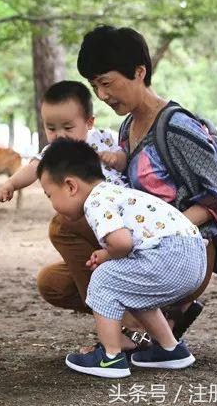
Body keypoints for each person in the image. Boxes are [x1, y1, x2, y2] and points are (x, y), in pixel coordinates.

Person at [36, 25, 217, 343]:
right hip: (142, 245)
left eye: (106, 83)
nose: (102, 96)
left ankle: (132, 329)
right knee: (52, 282)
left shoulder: (179, 128)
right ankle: (152, 323)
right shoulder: (126, 129)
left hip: (180, 252)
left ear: (139, 71)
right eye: (95, 86)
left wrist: (166, 230)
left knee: (63, 223)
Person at [38, 138, 206, 378]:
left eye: (49, 195)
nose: (53, 204)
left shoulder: (95, 202)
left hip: (172, 256)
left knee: (103, 278)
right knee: (129, 286)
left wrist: (106, 254)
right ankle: (170, 349)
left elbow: (121, 243)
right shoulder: (115, 192)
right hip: (191, 255)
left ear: (70, 186)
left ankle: (110, 356)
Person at [0, 80, 127, 203]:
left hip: (122, 197)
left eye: (68, 128)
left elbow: (124, 162)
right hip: (89, 208)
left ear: (88, 123)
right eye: (51, 128)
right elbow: (32, 169)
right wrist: (11, 184)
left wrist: (116, 158)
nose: (60, 135)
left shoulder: (104, 138)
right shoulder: (53, 152)